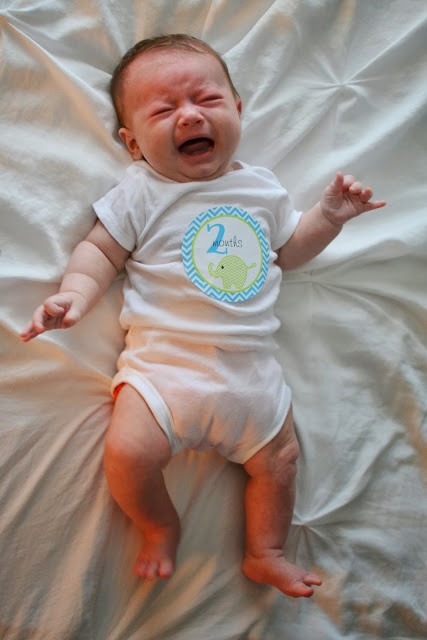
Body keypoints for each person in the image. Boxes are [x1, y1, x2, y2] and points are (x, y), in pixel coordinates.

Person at [21, 34, 386, 598]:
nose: (190, 115)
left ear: (237, 110)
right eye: (163, 110)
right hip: (164, 371)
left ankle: (265, 552)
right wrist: (74, 295)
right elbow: (100, 252)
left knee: (281, 460)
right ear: (133, 143)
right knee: (127, 454)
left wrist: (328, 217)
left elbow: (288, 252)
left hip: (251, 375)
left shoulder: (260, 188)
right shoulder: (140, 192)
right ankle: (159, 525)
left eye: (207, 99)